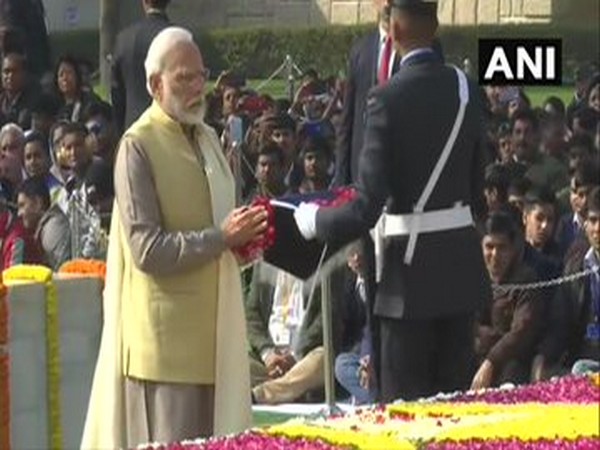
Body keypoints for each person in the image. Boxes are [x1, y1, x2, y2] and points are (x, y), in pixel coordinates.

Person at [295, 0, 491, 401]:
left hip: (407, 281)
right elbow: (476, 190)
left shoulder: (386, 99)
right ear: (435, 25)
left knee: (403, 416)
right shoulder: (465, 89)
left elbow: (367, 205)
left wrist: (317, 220)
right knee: (458, 415)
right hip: (459, 273)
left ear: (394, 32)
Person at [81, 27, 267, 448]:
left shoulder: (207, 139)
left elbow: (220, 229)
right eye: (184, 77)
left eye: (201, 75)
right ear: (154, 84)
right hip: (164, 353)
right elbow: (147, 250)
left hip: (216, 338)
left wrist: (247, 238)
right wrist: (221, 238)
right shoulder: (137, 147)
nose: (198, 86)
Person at [111, 0, 172, 134]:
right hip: (168, 129)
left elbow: (116, 94)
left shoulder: (124, 39)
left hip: (133, 127)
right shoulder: (177, 38)